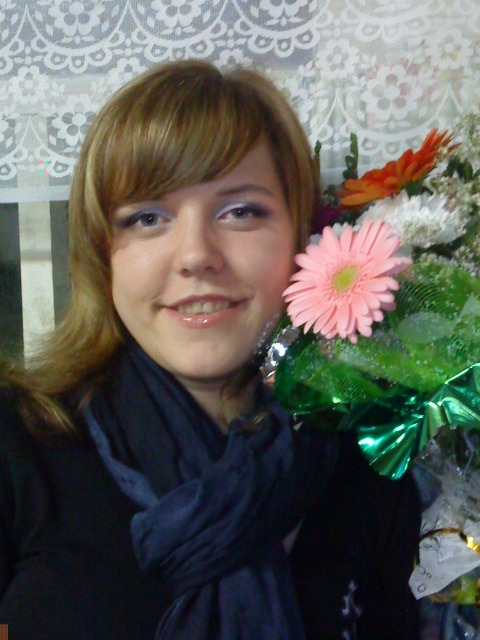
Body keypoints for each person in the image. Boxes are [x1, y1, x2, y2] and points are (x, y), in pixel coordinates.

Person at [0, 60, 421, 639]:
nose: (196, 254)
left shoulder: (368, 460)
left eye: (240, 211)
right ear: (102, 256)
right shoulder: (22, 443)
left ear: (301, 238)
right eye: (147, 218)